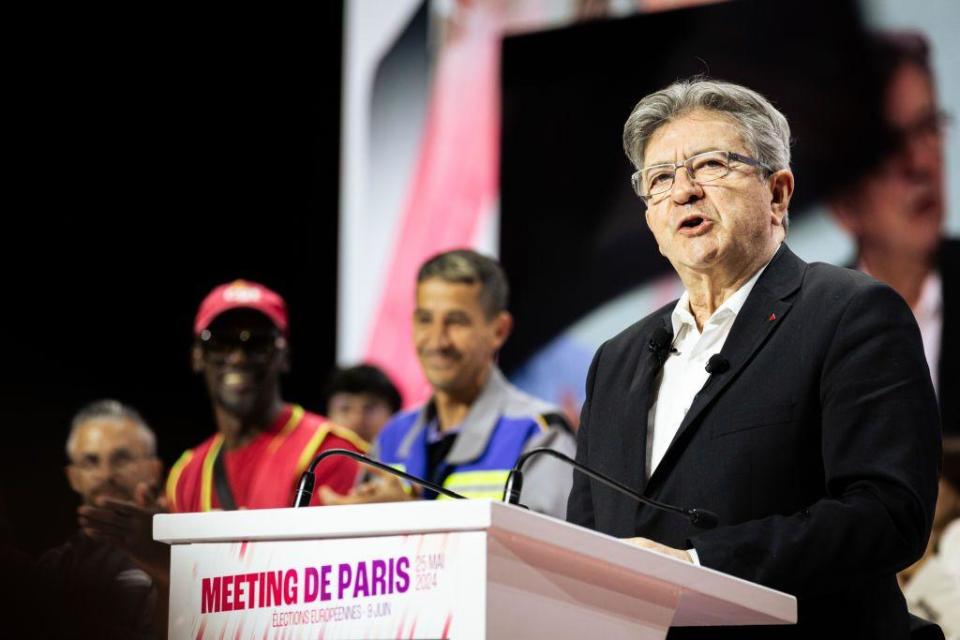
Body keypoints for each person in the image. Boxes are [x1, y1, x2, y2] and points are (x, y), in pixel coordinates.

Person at [566, 78, 940, 638]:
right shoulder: (614, 360)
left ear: (779, 193)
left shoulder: (851, 313)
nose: (684, 192)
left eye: (710, 165)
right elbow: (590, 544)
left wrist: (699, 567)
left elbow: (887, 514)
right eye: (660, 179)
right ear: (649, 216)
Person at [324, 250, 576, 518]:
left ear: (499, 330)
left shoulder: (539, 434)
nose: (437, 341)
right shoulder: (391, 437)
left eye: (456, 322)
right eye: (425, 320)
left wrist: (412, 516)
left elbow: (545, 554)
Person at [830, 31, 958, 436]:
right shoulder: (811, 337)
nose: (921, 162)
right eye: (890, 146)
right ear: (843, 201)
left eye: (927, 128)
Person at [165, 279, 368, 512]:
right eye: (221, 342)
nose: (238, 358)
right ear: (197, 356)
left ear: (285, 357)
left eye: (258, 343)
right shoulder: (186, 475)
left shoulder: (329, 453)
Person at [38, 400, 163, 639]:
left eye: (122, 459)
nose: (106, 475)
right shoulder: (51, 567)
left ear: (154, 469)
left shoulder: (183, 559)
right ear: (73, 477)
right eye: (90, 461)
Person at [323, 364, 402, 443]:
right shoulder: (314, 454)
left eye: (369, 408)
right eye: (345, 408)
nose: (356, 420)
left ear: (393, 414)